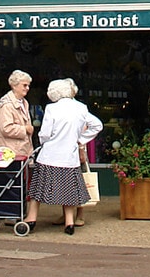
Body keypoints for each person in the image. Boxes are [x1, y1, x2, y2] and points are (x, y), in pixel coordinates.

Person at [29, 78, 102, 234]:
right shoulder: (81, 107)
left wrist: (43, 141)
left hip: (49, 156)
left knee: (37, 190)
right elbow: (97, 125)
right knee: (68, 192)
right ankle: (69, 223)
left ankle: (31, 219)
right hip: (69, 158)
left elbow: (45, 133)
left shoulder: (51, 108)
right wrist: (80, 139)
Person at [0, 69, 39, 224]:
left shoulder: (24, 102)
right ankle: (11, 214)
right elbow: (6, 128)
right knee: (11, 183)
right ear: (14, 85)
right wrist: (25, 129)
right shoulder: (7, 105)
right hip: (9, 151)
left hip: (22, 150)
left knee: (20, 183)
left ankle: (17, 212)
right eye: (24, 85)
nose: (27, 88)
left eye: (28, 85)